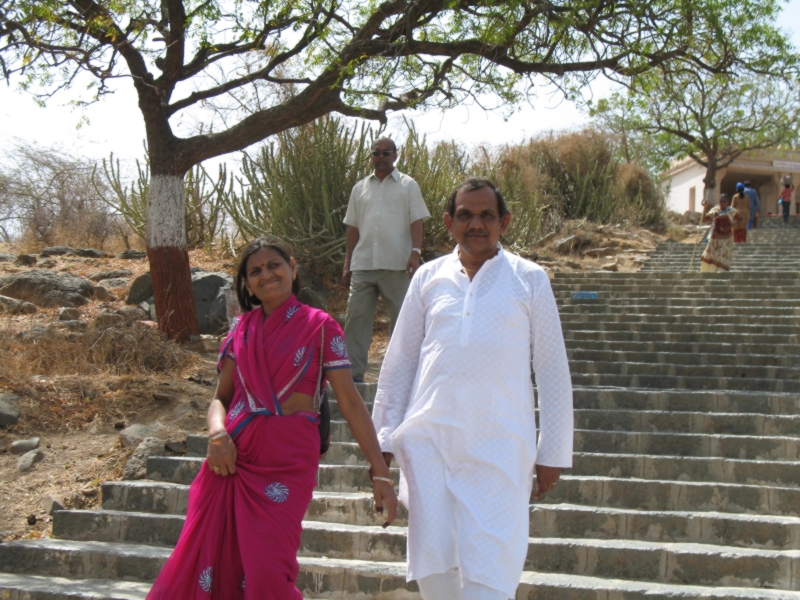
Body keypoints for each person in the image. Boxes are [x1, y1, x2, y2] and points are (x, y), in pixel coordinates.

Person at [147, 236, 398, 600]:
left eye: (274, 265)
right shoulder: (239, 330)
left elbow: (351, 402)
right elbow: (221, 398)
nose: (266, 275)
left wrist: (379, 472)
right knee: (215, 563)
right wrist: (217, 435)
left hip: (288, 458)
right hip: (232, 456)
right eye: (255, 271)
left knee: (268, 571)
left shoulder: (321, 325)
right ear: (246, 284)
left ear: (293, 268)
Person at [371, 178, 574, 600]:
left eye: (486, 215)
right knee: (436, 568)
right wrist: (383, 441)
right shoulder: (428, 277)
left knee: (492, 573)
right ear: (448, 222)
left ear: (504, 222)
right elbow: (402, 360)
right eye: (465, 214)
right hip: (432, 445)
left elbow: (552, 368)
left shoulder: (529, 280)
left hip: (500, 446)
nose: (475, 223)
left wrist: (551, 451)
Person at [342, 137, 431, 383]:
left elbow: (417, 220)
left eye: (386, 153)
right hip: (363, 264)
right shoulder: (359, 188)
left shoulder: (408, 185)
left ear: (395, 155)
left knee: (402, 320)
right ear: (371, 156)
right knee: (356, 319)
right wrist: (348, 262)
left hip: (398, 263)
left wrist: (415, 252)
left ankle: (400, 376)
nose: (381, 157)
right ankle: (352, 376)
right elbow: (352, 228)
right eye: (376, 153)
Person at [700, 193, 742, 272]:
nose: (722, 203)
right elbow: (704, 220)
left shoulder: (731, 211)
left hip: (727, 239)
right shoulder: (715, 210)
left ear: (728, 202)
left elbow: (740, 218)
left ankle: (720, 272)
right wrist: (705, 208)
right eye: (721, 201)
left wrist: (732, 224)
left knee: (723, 256)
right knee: (710, 254)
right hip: (715, 237)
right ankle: (710, 271)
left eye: (724, 201)